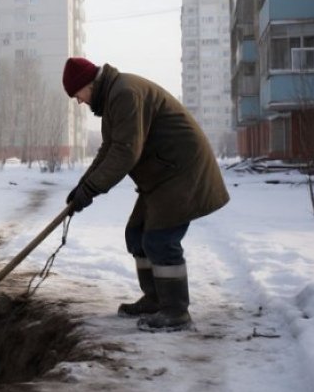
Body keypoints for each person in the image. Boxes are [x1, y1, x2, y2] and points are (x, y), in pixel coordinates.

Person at [61, 57, 229, 332]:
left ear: (88, 84)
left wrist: (91, 189)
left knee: (160, 239)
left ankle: (175, 311)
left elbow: (126, 152)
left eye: (77, 94)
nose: (78, 101)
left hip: (181, 172)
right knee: (136, 234)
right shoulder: (114, 98)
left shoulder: (125, 94)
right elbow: (108, 149)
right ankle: (155, 299)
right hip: (163, 175)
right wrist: (83, 185)